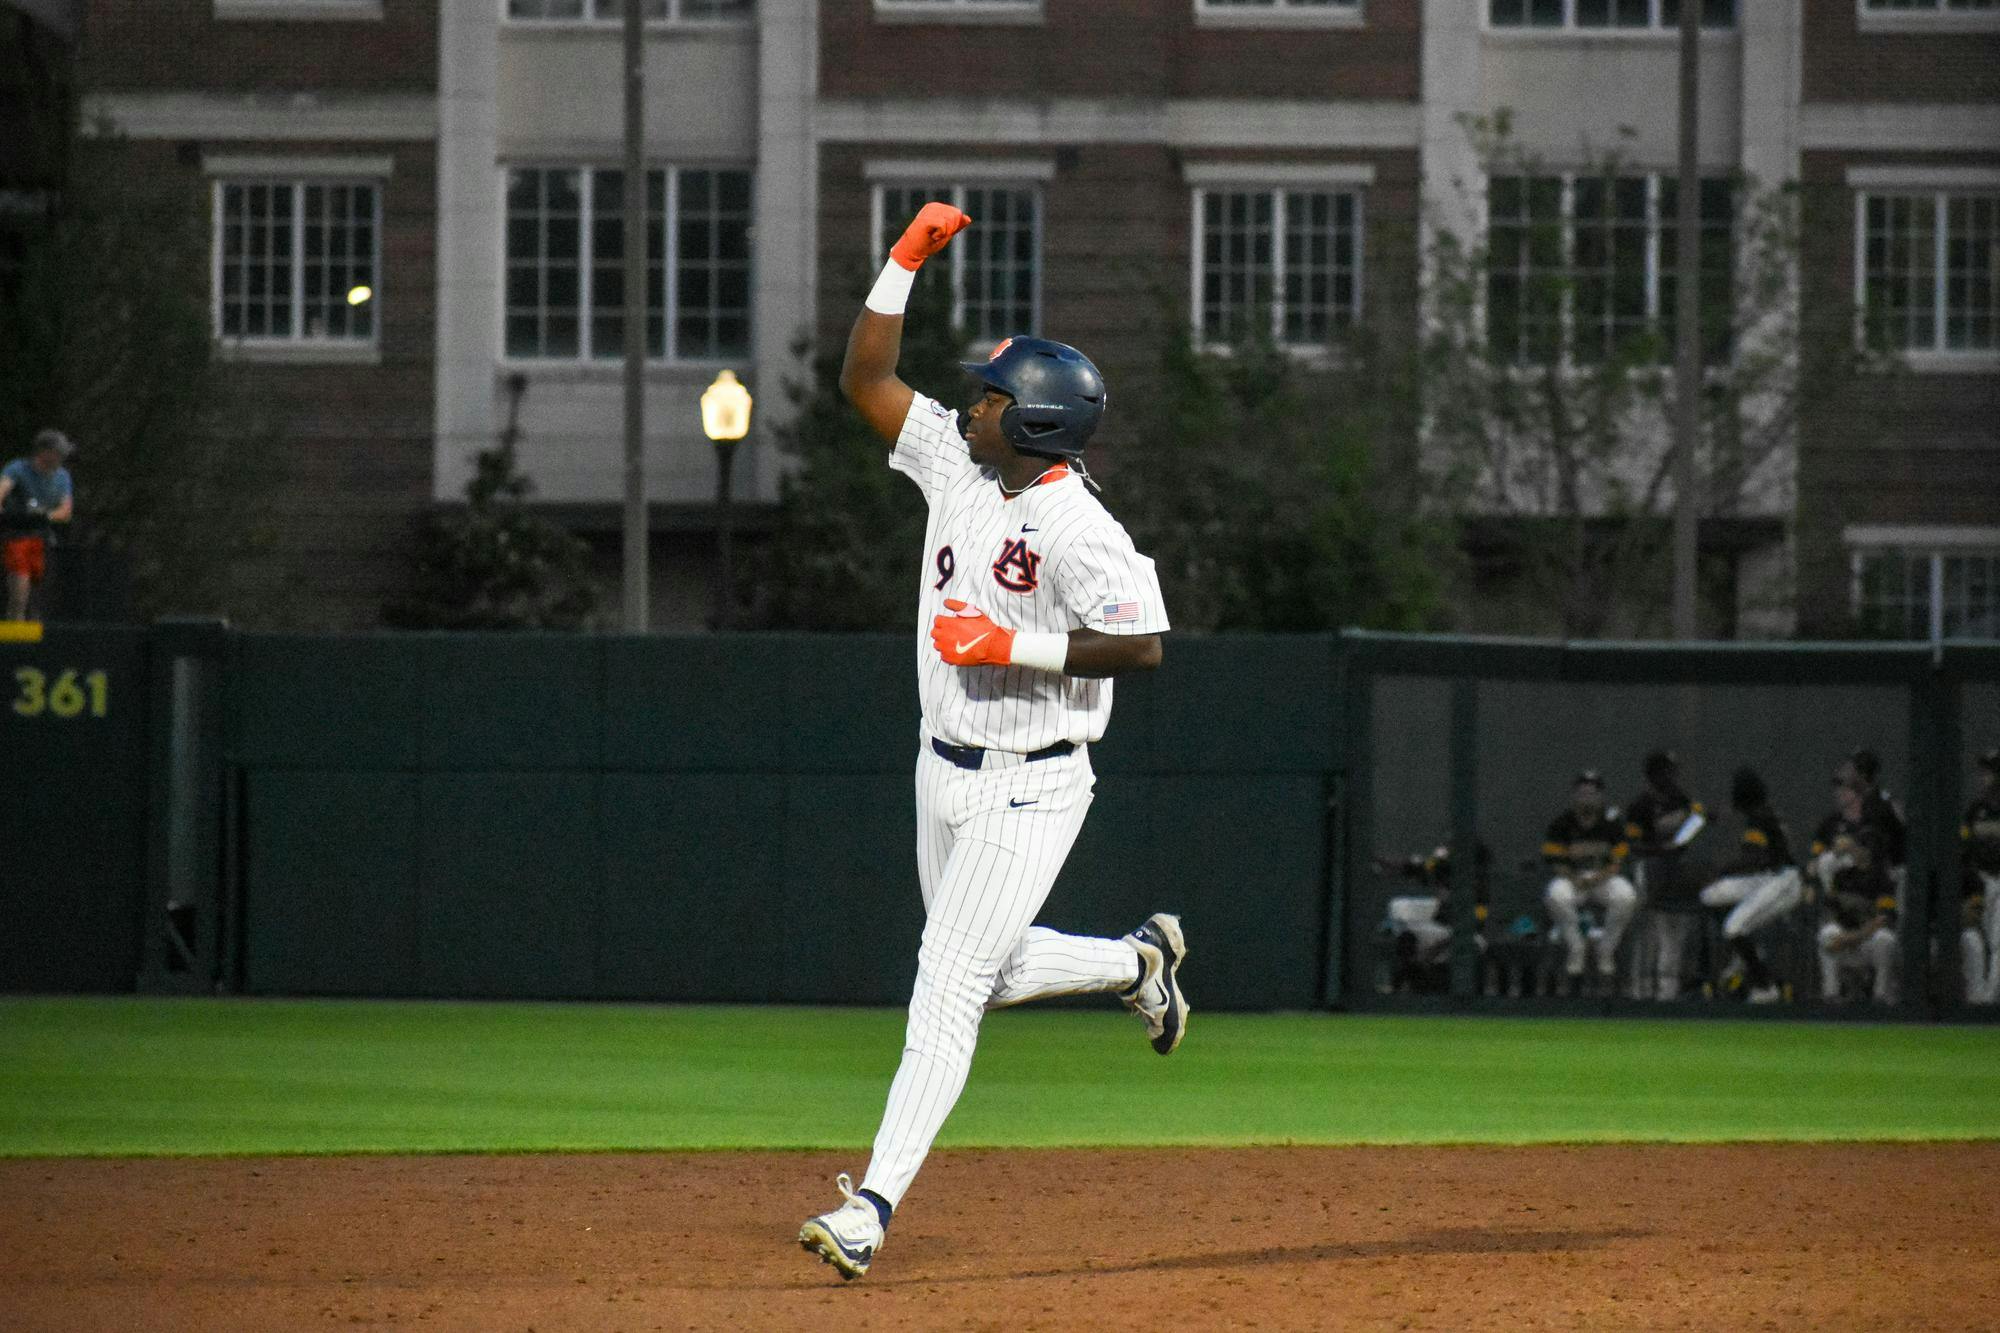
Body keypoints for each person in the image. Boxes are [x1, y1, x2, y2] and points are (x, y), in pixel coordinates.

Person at [797, 202, 1182, 1282]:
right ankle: (1133, 962)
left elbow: (1140, 645)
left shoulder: (1078, 526)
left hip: (1035, 781)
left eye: (991, 397)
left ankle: (870, 1205)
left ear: (1039, 426)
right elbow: (864, 384)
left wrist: (1013, 641)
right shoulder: (960, 467)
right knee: (989, 971)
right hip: (943, 767)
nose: (970, 405)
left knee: (944, 983)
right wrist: (899, 264)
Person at [1699, 766, 1803, 1003]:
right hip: (1765, 878)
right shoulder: (1762, 812)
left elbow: (1754, 857)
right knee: (1709, 895)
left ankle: (1765, 986)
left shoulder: (1761, 817)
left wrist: (1721, 870)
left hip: (1783, 881)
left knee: (1734, 928)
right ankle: (1746, 951)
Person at [1541, 770, 1637, 993]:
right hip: (1573, 880)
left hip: (1603, 879)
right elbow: (1554, 861)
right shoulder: (1561, 824)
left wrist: (1599, 877)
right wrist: (1574, 878)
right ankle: (1576, 947)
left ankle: (1606, 950)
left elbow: (1618, 861)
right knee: (1556, 894)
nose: (1587, 798)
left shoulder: (1612, 824)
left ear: (1600, 796)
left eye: (1592, 793)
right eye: (1582, 793)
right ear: (1574, 795)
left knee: (1626, 895)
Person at [1623, 750, 1707, 1000]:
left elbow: (1695, 820)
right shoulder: (1639, 805)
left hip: (1675, 869)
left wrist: (1703, 818)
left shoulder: (1680, 799)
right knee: (1648, 930)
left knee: (1676, 931)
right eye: (1666, 771)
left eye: (1673, 771)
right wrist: (1662, 849)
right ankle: (1640, 990)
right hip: (1648, 868)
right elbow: (1633, 845)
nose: (1672, 776)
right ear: (1653, 774)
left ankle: (1667, 993)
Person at [1815, 827, 1899, 1005]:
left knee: (1885, 939)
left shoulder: (1883, 880)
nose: (1851, 850)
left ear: (1868, 851)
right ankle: (1831, 995)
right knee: (1827, 934)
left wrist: (1850, 939)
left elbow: (1883, 921)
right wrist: (1845, 939)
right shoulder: (1842, 876)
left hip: (1867, 944)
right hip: (1845, 943)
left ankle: (1881, 996)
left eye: (1857, 847)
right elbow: (1830, 914)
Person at [0, 429, 75, 621]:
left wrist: (43, 516)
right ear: (44, 452)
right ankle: (14, 631)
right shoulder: (17, 469)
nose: (62, 457)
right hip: (17, 535)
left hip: (43, 538)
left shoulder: (62, 476)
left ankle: (37, 640)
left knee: (40, 593)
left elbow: (65, 511)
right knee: (19, 589)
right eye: (58, 453)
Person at [1959, 749, 2000, 1005]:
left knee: (1998, 942)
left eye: (1989, 772)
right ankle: (1977, 999)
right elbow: (1963, 847)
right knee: (1976, 940)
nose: (1984, 777)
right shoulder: (1976, 809)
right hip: (1980, 881)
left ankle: (1990, 1000)